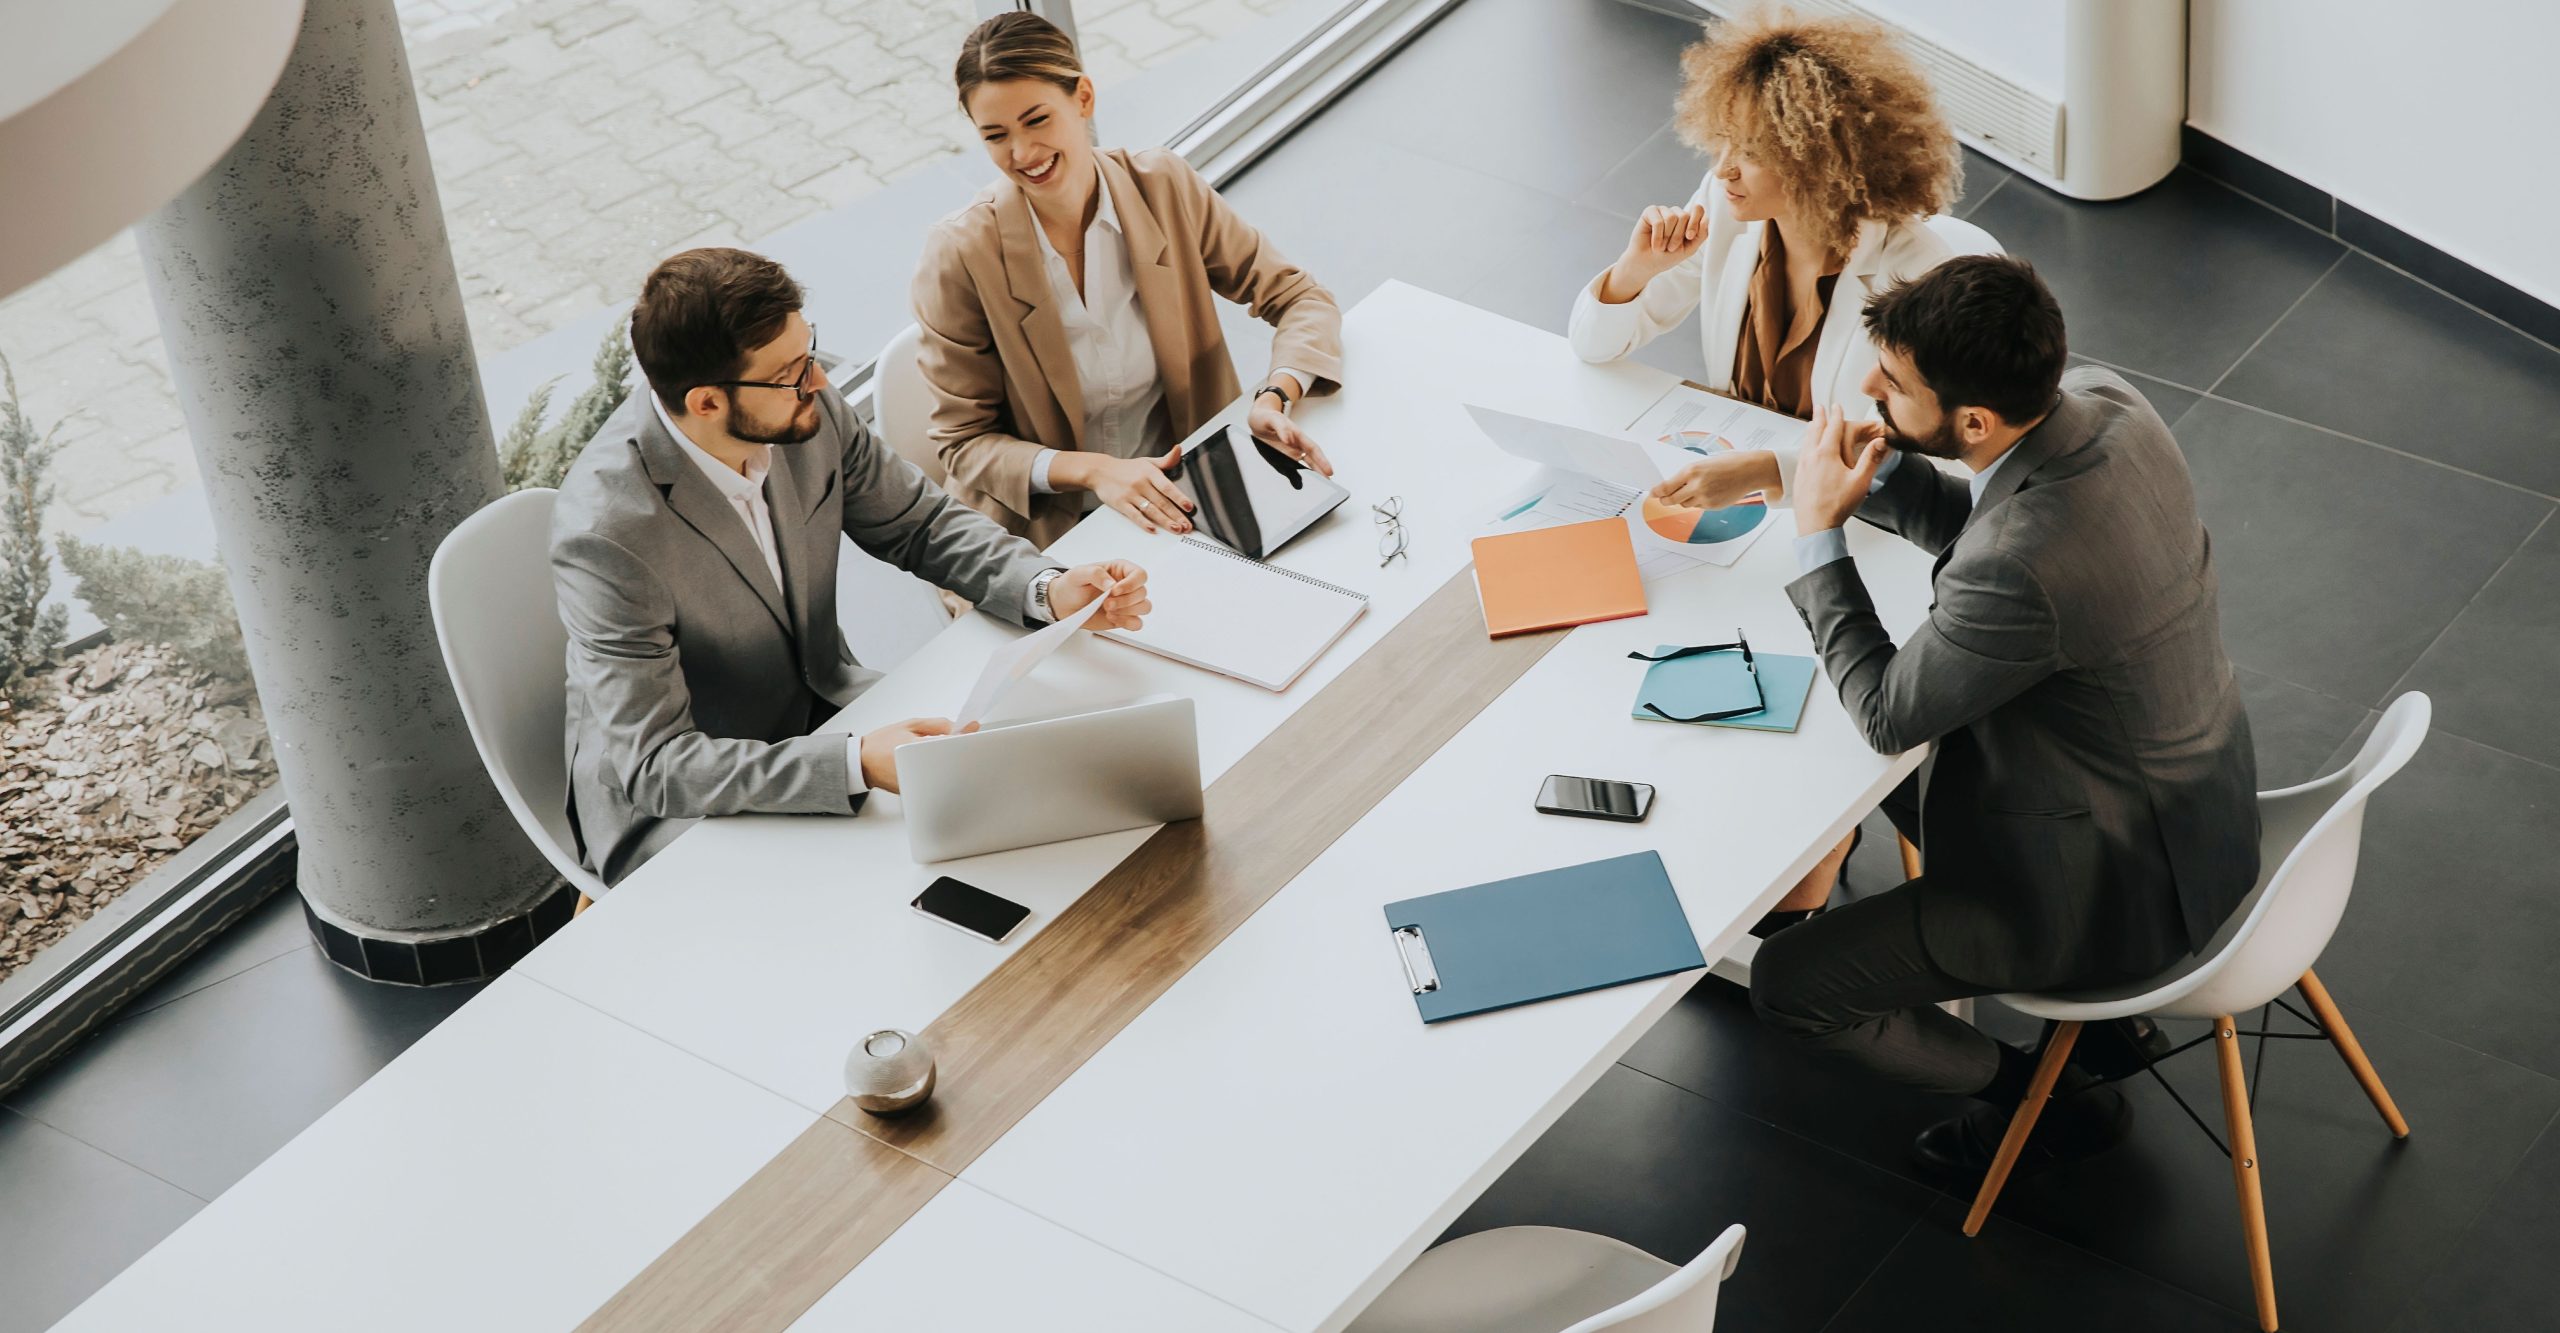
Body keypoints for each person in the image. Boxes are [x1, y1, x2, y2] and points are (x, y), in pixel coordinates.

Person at [1748, 256, 2260, 1177]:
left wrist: (1817, 534)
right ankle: (2109, 1034)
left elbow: (1883, 710)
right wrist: (1854, 470)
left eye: (1893, 384)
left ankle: (2037, 1095)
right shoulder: (2108, 402)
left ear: (1973, 420)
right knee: (1892, 779)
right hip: (2197, 815)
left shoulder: (2024, 567)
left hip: (2103, 897)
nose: (1867, 385)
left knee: (1791, 984)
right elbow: (1986, 515)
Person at [551, 247, 1151, 886]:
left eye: (808, 351)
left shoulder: (803, 406)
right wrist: (854, 763)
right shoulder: (607, 535)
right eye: (789, 373)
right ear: (706, 403)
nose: (819, 381)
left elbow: (919, 523)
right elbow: (658, 767)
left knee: (1037, 813)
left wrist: (1047, 588)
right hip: (682, 800)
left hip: (822, 707)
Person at [1578, 8, 1969, 928]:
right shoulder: (1729, 211)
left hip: (1863, 547)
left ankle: (1820, 859)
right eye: (1721, 145)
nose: (1721, 171)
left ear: (1819, 159)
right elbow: (1596, 342)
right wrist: (1635, 268)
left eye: (1748, 152)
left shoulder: (1924, 268)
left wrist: (1757, 468)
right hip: (1745, 534)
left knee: (1786, 882)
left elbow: (1894, 455)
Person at [912, 12, 1345, 549]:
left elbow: (1299, 296)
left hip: (1189, 496)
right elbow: (964, 444)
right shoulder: (960, 254)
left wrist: (1274, 396)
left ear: (1084, 98)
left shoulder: (1162, 186)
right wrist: (1095, 471)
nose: (1021, 154)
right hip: (1047, 531)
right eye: (996, 136)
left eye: (1037, 120)